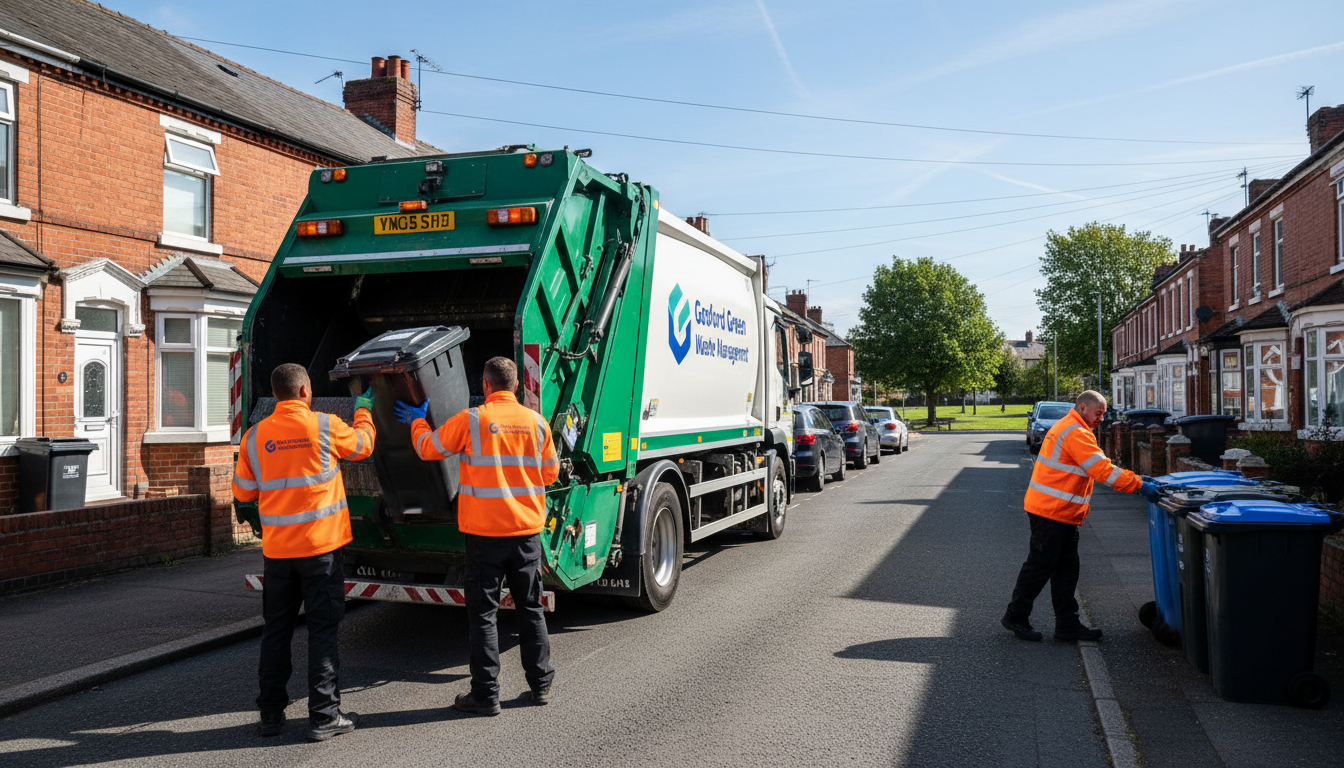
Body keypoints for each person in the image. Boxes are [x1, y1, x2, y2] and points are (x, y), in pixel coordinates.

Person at [393, 356, 558, 716]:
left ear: (485, 386)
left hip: (484, 537)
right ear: (515, 386)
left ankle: (486, 695)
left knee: (483, 615)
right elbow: (549, 475)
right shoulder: (537, 423)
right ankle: (541, 685)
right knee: (531, 610)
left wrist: (417, 420)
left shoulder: (472, 420)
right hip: (526, 535)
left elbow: (427, 449)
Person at [232, 364, 375, 740]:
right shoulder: (325, 426)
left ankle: (271, 716)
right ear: (305, 392)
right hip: (321, 550)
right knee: (322, 631)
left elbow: (243, 493)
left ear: (277, 394)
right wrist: (364, 408)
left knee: (276, 631)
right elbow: (363, 446)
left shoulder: (253, 437)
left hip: (278, 553)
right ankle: (324, 716)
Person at [1002, 390, 1161, 642]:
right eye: (1098, 413)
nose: (1101, 418)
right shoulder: (1075, 432)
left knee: (1066, 569)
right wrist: (1139, 484)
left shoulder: (1071, 427)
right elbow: (1102, 470)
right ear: (1083, 407)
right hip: (1051, 512)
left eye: (1104, 413)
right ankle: (1015, 616)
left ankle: (1067, 624)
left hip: (1058, 512)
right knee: (1040, 566)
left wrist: (1139, 479)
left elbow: (1098, 467)